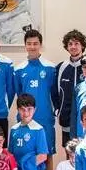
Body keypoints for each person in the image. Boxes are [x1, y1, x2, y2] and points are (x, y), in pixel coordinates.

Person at [15, 29, 59, 162]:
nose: (32, 47)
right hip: (25, 118)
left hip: (45, 117)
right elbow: (19, 95)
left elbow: (55, 94)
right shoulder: (19, 69)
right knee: (25, 154)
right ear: (25, 45)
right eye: (29, 43)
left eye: (35, 43)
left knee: (47, 155)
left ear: (40, 45)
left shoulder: (51, 67)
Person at [55, 30, 86, 145]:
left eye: (76, 43)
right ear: (67, 47)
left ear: (82, 45)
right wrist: (58, 111)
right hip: (67, 119)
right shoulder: (61, 67)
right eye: (70, 44)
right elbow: (55, 93)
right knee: (70, 152)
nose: (73, 47)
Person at [9, 94, 49, 170]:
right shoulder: (14, 129)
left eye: (29, 109)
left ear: (34, 109)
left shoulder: (38, 129)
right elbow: (10, 153)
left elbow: (43, 156)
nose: (26, 113)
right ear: (18, 110)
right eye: (22, 109)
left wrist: (25, 165)